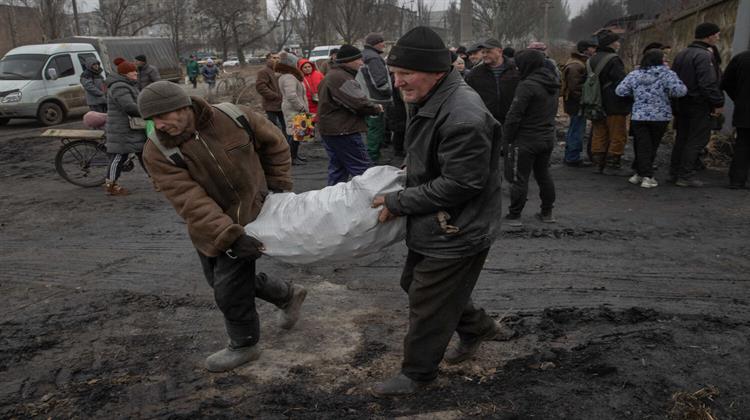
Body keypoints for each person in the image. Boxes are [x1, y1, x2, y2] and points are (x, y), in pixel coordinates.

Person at [370, 26, 507, 398]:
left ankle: (417, 374)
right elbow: (436, 160)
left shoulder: (462, 114)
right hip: (439, 221)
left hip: (459, 227)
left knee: (429, 300)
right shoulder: (433, 97)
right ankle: (477, 326)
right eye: (394, 74)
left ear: (434, 70)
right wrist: (407, 174)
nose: (397, 83)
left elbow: (463, 183)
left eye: (404, 74)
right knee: (415, 285)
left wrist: (399, 202)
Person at [137, 81, 307, 373]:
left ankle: (245, 344)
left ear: (183, 107)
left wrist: (279, 187)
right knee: (220, 282)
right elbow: (188, 199)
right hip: (211, 226)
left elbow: (276, 144)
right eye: (152, 120)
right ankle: (287, 295)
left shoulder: (234, 116)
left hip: (257, 213)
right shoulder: (157, 152)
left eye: (162, 117)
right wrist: (229, 236)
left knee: (229, 290)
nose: (158, 126)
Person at [503, 49, 561, 225]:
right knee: (543, 174)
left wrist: (508, 138)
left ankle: (515, 215)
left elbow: (515, 115)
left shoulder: (527, 85)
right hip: (547, 136)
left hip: (526, 138)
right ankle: (547, 212)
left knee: (519, 177)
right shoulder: (552, 82)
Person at [615, 49, 687, 189]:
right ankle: (647, 175)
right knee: (652, 146)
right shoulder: (667, 74)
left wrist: (635, 95)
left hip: (639, 115)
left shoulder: (635, 74)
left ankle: (640, 173)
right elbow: (680, 91)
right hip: (660, 116)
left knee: (641, 145)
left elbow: (620, 91)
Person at [317, 44, 382, 186]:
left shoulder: (333, 75)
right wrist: (377, 108)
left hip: (331, 130)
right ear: (349, 61)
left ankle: (331, 201)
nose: (361, 63)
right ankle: (373, 200)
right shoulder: (342, 78)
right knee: (363, 169)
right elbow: (359, 103)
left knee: (338, 169)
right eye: (359, 59)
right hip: (343, 131)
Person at [670, 23, 725, 187]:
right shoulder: (704, 56)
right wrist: (718, 101)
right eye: (717, 34)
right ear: (709, 36)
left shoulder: (682, 54)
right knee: (696, 140)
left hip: (682, 103)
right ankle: (685, 175)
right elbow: (707, 83)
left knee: (682, 138)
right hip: (699, 104)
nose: (718, 37)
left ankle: (674, 172)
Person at [588, 29, 632, 175]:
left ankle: (597, 163)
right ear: (611, 44)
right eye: (616, 41)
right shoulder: (613, 59)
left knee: (598, 132)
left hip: (594, 101)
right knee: (617, 134)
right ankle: (612, 164)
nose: (618, 44)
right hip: (614, 102)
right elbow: (621, 82)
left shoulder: (591, 59)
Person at [103, 58, 146, 196]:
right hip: (121, 128)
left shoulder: (128, 84)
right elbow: (129, 106)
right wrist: (147, 112)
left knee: (144, 153)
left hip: (131, 127)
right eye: (132, 72)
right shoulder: (119, 86)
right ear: (125, 74)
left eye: (135, 71)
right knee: (119, 156)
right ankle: (111, 185)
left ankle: (157, 180)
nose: (136, 74)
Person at [464, 38, 520, 125]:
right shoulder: (474, 74)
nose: (485, 55)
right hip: (486, 122)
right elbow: (468, 98)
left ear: (500, 52)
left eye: (488, 51)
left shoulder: (515, 70)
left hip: (512, 121)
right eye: (483, 52)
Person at [561, 40, 596, 166]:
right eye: (592, 48)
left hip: (573, 102)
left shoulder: (578, 62)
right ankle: (572, 157)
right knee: (576, 129)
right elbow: (575, 87)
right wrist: (586, 98)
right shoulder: (577, 65)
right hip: (576, 103)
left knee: (575, 128)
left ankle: (571, 156)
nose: (594, 50)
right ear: (586, 49)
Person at [360, 33, 393, 163]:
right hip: (376, 99)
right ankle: (373, 159)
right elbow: (380, 81)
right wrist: (389, 92)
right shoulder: (373, 58)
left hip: (367, 97)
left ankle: (372, 156)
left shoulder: (365, 55)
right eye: (381, 42)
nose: (384, 44)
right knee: (375, 130)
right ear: (375, 44)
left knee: (370, 130)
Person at [721, 49, 750, 189]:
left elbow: (726, 82)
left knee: (742, 144)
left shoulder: (740, 58)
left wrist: (738, 98)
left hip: (744, 110)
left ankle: (737, 180)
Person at [277, 52, 308, 165]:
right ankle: (291, 158)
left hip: (295, 108)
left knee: (298, 134)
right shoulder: (289, 77)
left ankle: (295, 155)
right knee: (294, 134)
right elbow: (291, 95)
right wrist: (300, 107)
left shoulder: (288, 76)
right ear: (291, 64)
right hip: (294, 109)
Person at [255, 52, 284, 133]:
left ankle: (287, 144)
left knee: (286, 126)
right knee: (274, 127)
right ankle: (276, 144)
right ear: (268, 59)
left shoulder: (282, 70)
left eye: (278, 58)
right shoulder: (264, 71)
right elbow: (260, 87)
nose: (277, 60)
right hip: (271, 105)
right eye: (274, 58)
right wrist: (275, 96)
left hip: (283, 104)